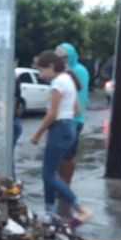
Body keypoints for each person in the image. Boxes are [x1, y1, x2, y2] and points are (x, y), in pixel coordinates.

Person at [30, 51, 92, 225]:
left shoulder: (58, 82)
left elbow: (52, 114)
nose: (41, 76)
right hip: (68, 127)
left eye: (41, 71)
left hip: (60, 128)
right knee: (48, 173)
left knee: (48, 174)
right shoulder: (68, 79)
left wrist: (37, 134)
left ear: (51, 67)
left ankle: (81, 209)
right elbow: (77, 110)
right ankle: (49, 212)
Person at [55, 43, 89, 189]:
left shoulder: (78, 71)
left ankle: (66, 183)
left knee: (68, 155)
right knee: (60, 154)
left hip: (73, 119)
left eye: (65, 57)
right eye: (59, 57)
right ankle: (61, 182)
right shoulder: (62, 71)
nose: (62, 60)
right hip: (61, 118)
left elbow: (79, 96)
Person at [12, 63, 22, 179]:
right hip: (15, 123)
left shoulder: (12, 80)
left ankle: (10, 183)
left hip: (12, 124)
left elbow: (14, 101)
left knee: (7, 158)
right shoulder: (14, 79)